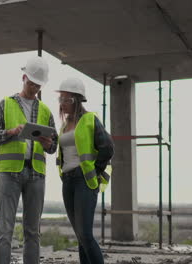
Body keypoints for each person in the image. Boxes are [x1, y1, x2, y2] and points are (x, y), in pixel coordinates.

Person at [0, 56, 58, 264]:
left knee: (33, 232)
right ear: (24, 77)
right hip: (9, 173)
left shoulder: (45, 111)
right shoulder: (5, 104)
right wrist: (10, 132)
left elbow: (54, 146)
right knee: (4, 230)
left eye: (38, 85)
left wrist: (47, 144)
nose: (34, 88)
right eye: (31, 83)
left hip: (36, 175)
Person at [55, 77, 114, 264]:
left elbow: (108, 147)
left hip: (84, 180)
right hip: (68, 181)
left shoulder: (90, 120)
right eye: (61, 99)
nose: (62, 103)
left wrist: (94, 171)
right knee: (80, 237)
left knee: (86, 235)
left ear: (77, 100)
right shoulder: (64, 126)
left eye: (66, 99)